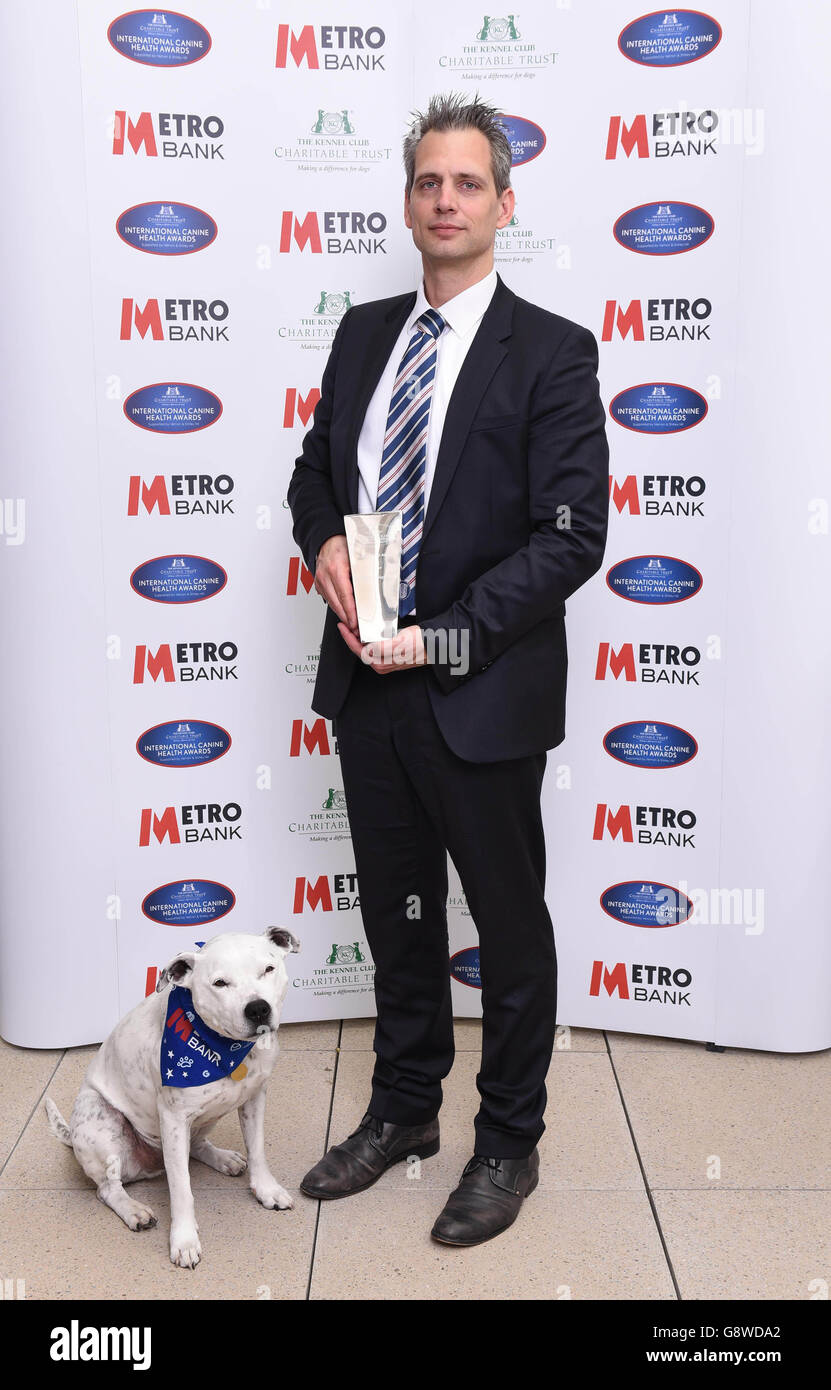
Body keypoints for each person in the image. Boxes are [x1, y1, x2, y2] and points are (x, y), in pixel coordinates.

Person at [287, 93, 609, 1246]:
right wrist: (322, 537)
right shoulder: (367, 331)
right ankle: (405, 1109)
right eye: (429, 181)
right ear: (408, 198)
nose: (445, 200)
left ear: (504, 204)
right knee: (401, 913)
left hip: (479, 688)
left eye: (468, 183)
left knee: (510, 929)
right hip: (369, 687)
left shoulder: (555, 351)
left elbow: (573, 535)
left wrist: (447, 632)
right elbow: (312, 471)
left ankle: (509, 1138)